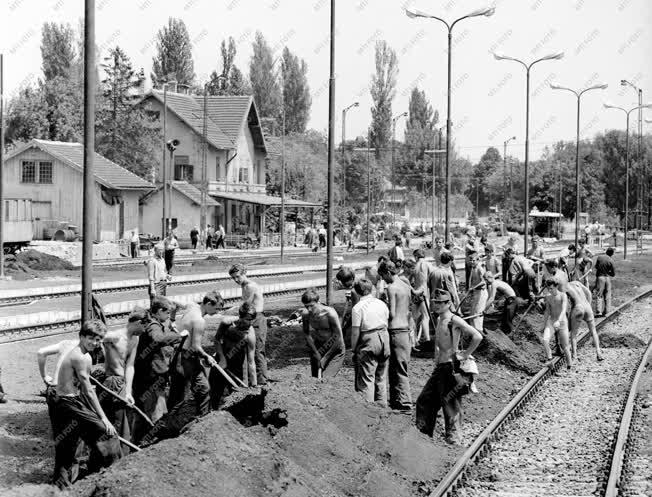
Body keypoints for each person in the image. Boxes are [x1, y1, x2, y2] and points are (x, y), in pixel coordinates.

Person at [49, 320, 121, 488]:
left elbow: (84, 385)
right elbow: (88, 391)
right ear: (81, 336)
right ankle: (105, 475)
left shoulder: (83, 355)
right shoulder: (80, 356)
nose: (94, 343)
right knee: (105, 431)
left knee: (67, 445)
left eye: (98, 340)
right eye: (90, 338)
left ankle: (67, 484)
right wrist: (104, 418)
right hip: (67, 403)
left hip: (66, 402)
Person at [416, 289, 483, 444]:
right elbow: (439, 345)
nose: (437, 305)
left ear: (449, 303)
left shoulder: (454, 320)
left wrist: (465, 354)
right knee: (425, 400)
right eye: (435, 302)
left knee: (451, 405)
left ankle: (454, 441)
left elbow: (477, 336)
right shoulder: (440, 319)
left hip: (451, 368)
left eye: (441, 303)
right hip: (440, 368)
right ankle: (423, 436)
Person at [132, 297, 182, 441]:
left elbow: (165, 328)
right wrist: (178, 336)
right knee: (154, 410)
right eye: (167, 313)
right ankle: (149, 440)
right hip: (149, 376)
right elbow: (158, 339)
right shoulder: (153, 325)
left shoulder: (153, 321)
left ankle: (145, 438)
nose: (168, 316)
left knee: (153, 409)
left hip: (150, 374)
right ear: (159, 311)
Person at [98, 308, 149, 447]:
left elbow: (130, 366)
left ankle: (117, 454)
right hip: (111, 381)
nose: (144, 330)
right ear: (138, 322)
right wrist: (105, 352)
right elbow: (96, 338)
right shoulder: (115, 336)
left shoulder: (135, 339)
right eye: (144, 326)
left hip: (122, 384)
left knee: (121, 422)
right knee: (116, 421)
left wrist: (128, 391)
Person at [169, 291, 223, 417]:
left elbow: (172, 302)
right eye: (216, 308)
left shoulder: (191, 306)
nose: (217, 312)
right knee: (202, 389)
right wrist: (207, 356)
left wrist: (172, 320)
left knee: (177, 391)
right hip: (186, 358)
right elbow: (196, 347)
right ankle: (202, 419)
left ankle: (168, 421)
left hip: (177, 353)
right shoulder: (199, 321)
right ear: (208, 303)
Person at [378, 261, 413, 411]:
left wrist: (382, 303)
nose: (383, 280)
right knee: (400, 366)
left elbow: (391, 314)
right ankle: (396, 400)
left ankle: (404, 402)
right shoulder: (405, 285)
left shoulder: (391, 288)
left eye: (383, 276)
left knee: (397, 368)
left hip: (395, 331)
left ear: (387, 272)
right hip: (405, 329)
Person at [350, 278, 390, 406]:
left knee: (367, 378)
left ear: (357, 292)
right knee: (381, 377)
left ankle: (368, 411)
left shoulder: (358, 308)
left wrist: (354, 348)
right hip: (384, 337)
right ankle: (382, 407)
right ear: (371, 289)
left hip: (369, 339)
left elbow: (355, 331)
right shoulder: (381, 304)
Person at [228, 264, 268, 385]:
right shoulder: (243, 286)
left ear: (244, 273)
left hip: (257, 318)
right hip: (248, 318)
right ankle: (249, 381)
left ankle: (261, 382)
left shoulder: (250, 286)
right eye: (233, 278)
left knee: (257, 351)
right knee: (245, 350)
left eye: (238, 276)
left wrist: (232, 314)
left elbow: (246, 306)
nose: (236, 280)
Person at [212, 302, 257, 408]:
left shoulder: (250, 334)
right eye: (247, 319)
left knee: (237, 394)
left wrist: (254, 385)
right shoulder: (226, 323)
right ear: (240, 317)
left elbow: (251, 361)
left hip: (237, 364)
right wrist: (222, 359)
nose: (250, 323)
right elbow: (217, 340)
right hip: (221, 360)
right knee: (215, 392)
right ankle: (211, 416)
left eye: (252, 320)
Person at [301, 289, 345, 378]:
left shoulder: (330, 313)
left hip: (335, 348)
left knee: (326, 378)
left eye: (311, 306)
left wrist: (325, 358)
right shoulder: (305, 314)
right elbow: (306, 334)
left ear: (318, 302)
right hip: (319, 347)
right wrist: (315, 352)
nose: (309, 309)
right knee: (315, 378)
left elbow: (338, 337)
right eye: (306, 306)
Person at [566, 280, 604, 362]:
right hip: (587, 307)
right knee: (593, 331)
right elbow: (589, 293)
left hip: (578, 308)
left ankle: (575, 355)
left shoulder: (566, 286)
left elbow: (565, 303)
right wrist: (589, 305)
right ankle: (598, 352)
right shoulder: (577, 283)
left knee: (573, 334)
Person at [541, 278, 572, 368]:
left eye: (551, 288)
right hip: (551, 321)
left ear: (556, 286)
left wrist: (559, 320)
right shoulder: (548, 296)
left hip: (562, 322)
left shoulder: (563, 295)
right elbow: (547, 311)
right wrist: (544, 323)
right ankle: (550, 360)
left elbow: (563, 309)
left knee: (565, 346)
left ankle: (569, 364)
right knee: (545, 340)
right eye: (548, 289)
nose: (550, 290)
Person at [412, 249, 432, 343]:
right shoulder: (427, 264)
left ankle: (414, 339)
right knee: (425, 317)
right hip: (424, 293)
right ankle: (427, 338)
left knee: (414, 318)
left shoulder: (415, 266)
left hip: (416, 292)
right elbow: (433, 276)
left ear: (416, 256)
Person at [467, 253, 488, 333]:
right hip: (476, 292)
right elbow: (471, 280)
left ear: (477, 260)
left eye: (473, 260)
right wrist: (470, 288)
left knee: (478, 312)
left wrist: (473, 288)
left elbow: (483, 282)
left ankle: (479, 330)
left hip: (481, 293)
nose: (472, 262)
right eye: (471, 260)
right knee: (472, 311)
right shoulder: (473, 268)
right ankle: (473, 330)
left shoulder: (480, 269)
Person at [594, 247, 615, 317]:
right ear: (612, 254)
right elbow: (613, 274)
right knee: (607, 295)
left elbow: (596, 266)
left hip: (600, 277)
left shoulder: (599, 257)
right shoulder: (611, 261)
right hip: (607, 278)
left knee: (599, 294)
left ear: (606, 251)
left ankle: (598, 311)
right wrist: (608, 272)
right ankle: (606, 311)